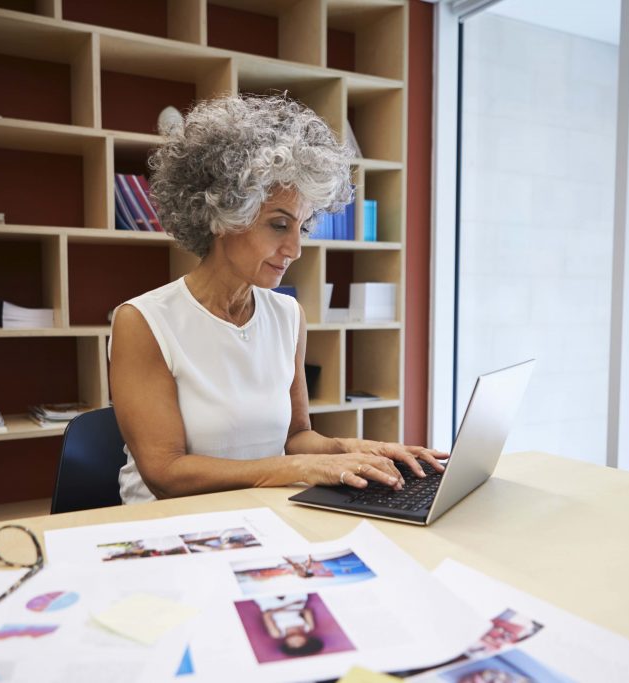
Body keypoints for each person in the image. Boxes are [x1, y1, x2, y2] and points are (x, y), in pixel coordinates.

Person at [110, 94, 447, 503]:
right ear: (223, 214)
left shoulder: (287, 315)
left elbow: (296, 438)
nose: (295, 249)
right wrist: (300, 469)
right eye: (278, 225)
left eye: (301, 228)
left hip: (260, 516)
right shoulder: (144, 321)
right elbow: (166, 474)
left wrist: (355, 450)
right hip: (170, 528)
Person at [254, 593, 323, 657]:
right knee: (301, 595)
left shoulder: (277, 634)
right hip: (295, 602)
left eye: (292, 645)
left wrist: (290, 606)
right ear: (307, 640)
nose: (295, 641)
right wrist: (289, 607)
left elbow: (266, 614)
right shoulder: (308, 627)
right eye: (300, 643)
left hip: (271, 605)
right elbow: (307, 611)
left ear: (286, 644)